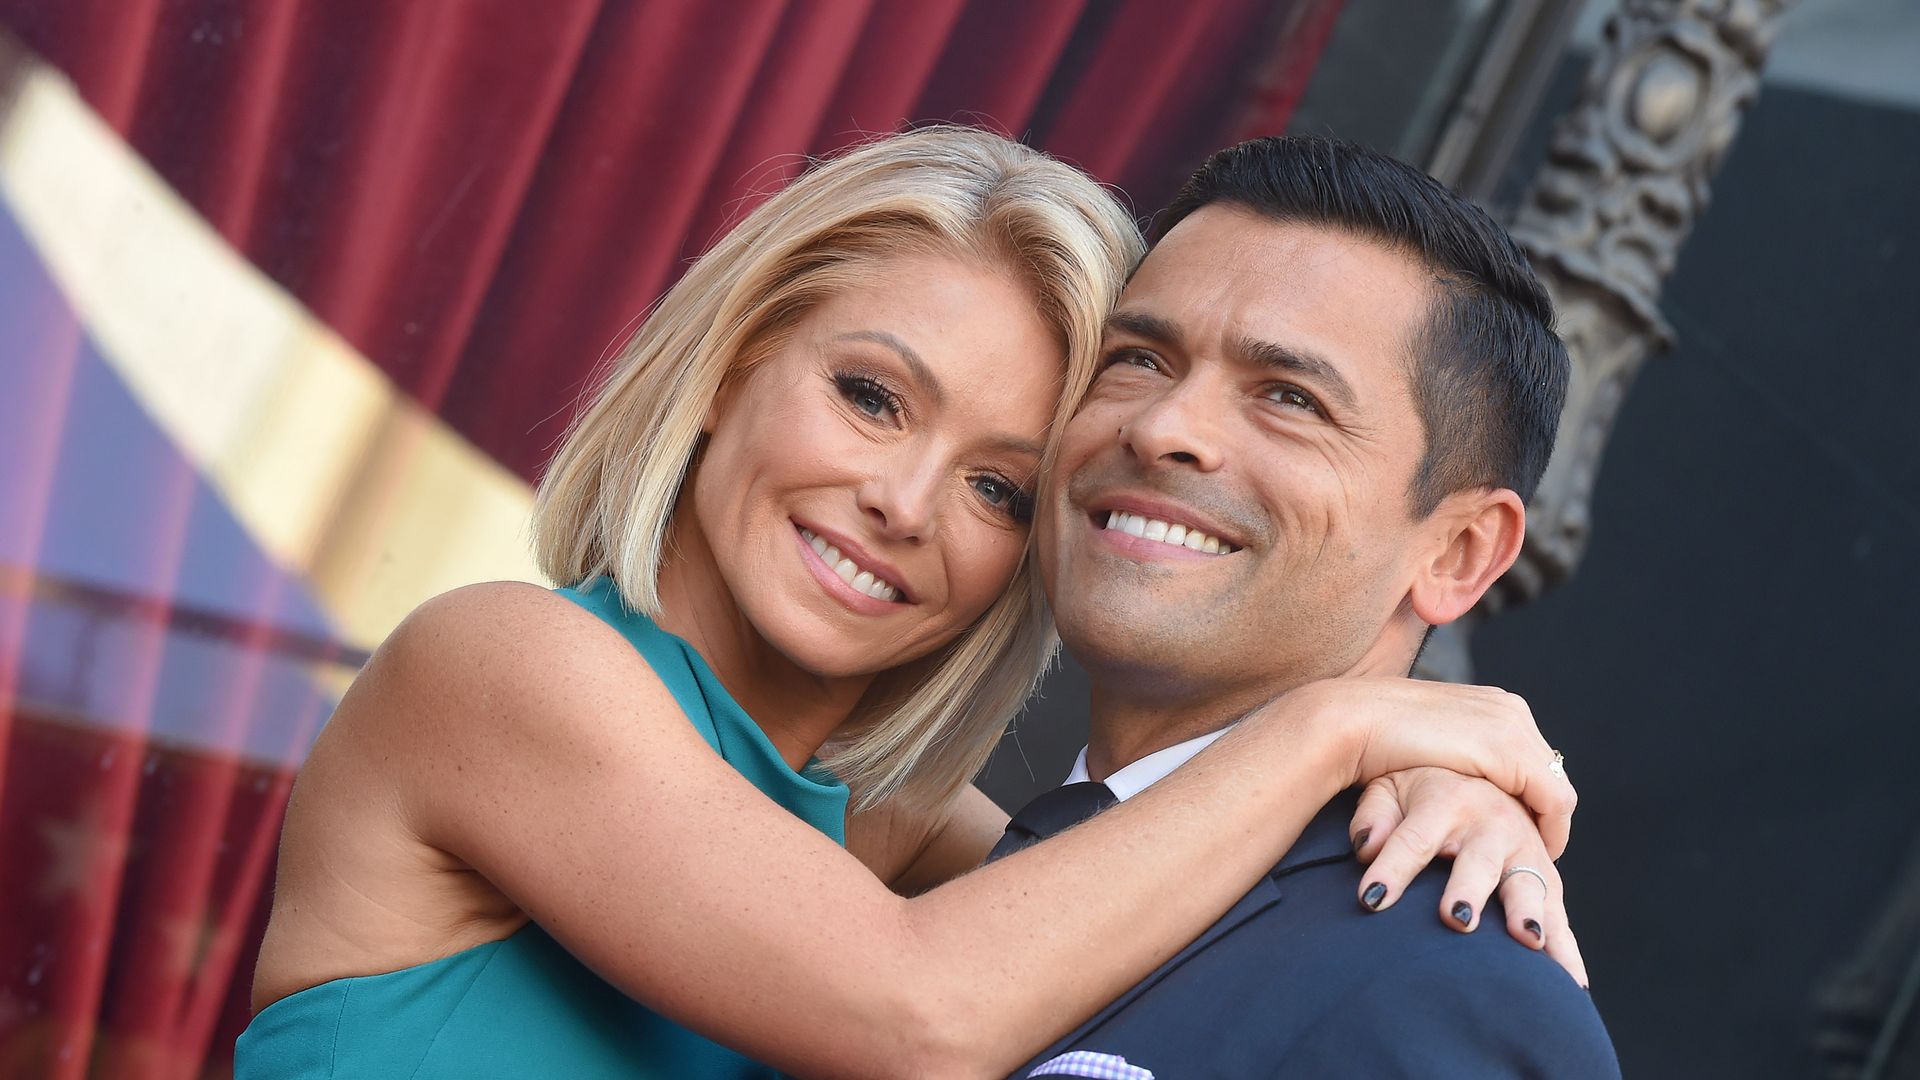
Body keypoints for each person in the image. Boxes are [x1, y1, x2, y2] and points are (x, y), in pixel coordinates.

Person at [238, 126, 1579, 1080]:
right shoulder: (506, 666)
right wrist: (1346, 733)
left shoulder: (896, 830)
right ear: (729, 368)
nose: (905, 501)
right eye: (872, 397)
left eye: (1002, 488)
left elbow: (1148, 859)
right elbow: (916, 1015)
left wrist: (1437, 793)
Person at [1002, 135, 1618, 1078]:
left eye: (1288, 396)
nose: (1164, 428)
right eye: (1140, 359)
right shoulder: (927, 862)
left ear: (1457, 552)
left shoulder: (1451, 994)